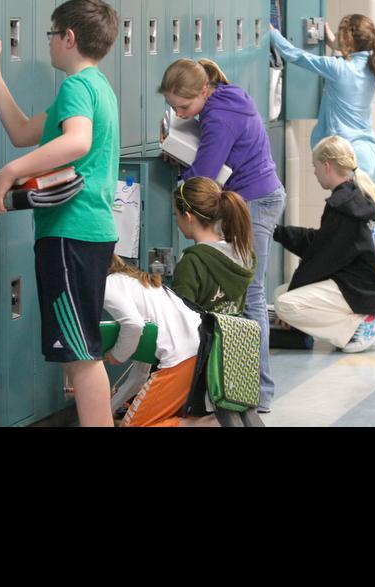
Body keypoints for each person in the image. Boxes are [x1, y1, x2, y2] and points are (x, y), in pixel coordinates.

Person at [0, 0, 120, 426]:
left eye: (51, 34)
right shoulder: (97, 86)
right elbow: (22, 132)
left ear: (68, 38)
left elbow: (76, 142)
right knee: (81, 352)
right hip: (87, 232)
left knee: (81, 356)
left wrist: (9, 174)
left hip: (71, 231)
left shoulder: (76, 87)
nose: (49, 43)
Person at [158, 57, 284, 413]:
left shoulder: (218, 117)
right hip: (256, 196)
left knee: (252, 294)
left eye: (184, 107)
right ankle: (245, 388)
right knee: (249, 294)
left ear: (203, 91)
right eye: (173, 108)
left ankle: (258, 392)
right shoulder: (227, 96)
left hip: (255, 201)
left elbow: (204, 176)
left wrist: (180, 181)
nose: (180, 114)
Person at [272, 136, 375, 353]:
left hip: (364, 291)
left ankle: (361, 326)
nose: (314, 173)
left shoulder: (342, 206)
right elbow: (322, 242)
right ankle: (362, 318)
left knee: (285, 304)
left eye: (315, 167)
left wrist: (291, 306)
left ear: (327, 166)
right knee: (281, 293)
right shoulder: (356, 196)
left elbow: (321, 260)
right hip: (373, 287)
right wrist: (277, 232)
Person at [266, 15, 375, 185]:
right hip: (370, 154)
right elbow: (349, 59)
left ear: (347, 39)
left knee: (347, 202)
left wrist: (272, 32)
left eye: (340, 34)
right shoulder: (372, 68)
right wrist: (334, 43)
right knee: (368, 202)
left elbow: (294, 55)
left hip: (350, 154)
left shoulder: (338, 68)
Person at [103, 256, 202, 427]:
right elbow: (139, 376)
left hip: (181, 359)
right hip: (199, 352)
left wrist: (117, 355)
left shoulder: (109, 284)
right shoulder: (137, 284)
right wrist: (105, 412)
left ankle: (207, 423)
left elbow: (133, 325)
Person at [170, 177, 255, 318]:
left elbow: (180, 319)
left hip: (200, 333)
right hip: (230, 332)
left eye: (176, 214)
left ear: (188, 217)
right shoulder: (241, 253)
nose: (176, 219)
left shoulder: (192, 261)